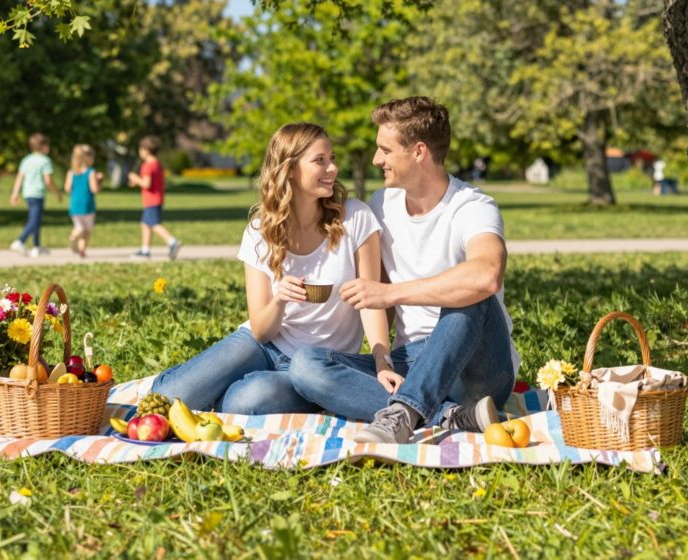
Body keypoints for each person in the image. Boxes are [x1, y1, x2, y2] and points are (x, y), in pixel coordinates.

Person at [289, 96, 521, 443]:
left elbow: (487, 275)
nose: (375, 159)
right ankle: (448, 416)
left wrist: (390, 293)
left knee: (472, 294)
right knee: (307, 366)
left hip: (476, 370)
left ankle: (405, 413)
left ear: (419, 152)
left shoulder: (473, 206)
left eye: (385, 150)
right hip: (410, 360)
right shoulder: (383, 204)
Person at [150, 123, 397, 414]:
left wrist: (382, 362)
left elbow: (371, 301)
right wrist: (279, 299)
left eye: (332, 158)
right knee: (167, 397)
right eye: (320, 160)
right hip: (262, 346)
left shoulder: (355, 217)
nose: (332, 168)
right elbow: (261, 330)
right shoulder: (260, 230)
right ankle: (196, 382)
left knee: (243, 401)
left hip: (317, 364)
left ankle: (222, 387)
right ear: (289, 169)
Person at [128, 135, 182, 260]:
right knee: (145, 224)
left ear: (146, 150)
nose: (139, 152)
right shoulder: (157, 164)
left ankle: (172, 242)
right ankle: (145, 250)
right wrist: (137, 181)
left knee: (153, 223)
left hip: (151, 200)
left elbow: (146, 183)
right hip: (156, 198)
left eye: (140, 149)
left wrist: (135, 178)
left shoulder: (147, 165)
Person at [9, 133, 63, 257]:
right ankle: (20, 241)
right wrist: (57, 192)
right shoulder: (45, 161)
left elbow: (19, 178)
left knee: (35, 220)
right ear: (43, 146)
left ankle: (36, 247)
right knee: (34, 220)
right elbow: (48, 181)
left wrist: (15, 193)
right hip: (38, 193)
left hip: (27, 193)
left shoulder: (26, 160)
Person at [64, 144, 103, 258]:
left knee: (79, 226)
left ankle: (77, 243)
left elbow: (67, 188)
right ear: (88, 158)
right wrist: (99, 181)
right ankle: (79, 246)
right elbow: (94, 189)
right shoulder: (91, 172)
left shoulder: (71, 172)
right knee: (87, 229)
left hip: (75, 204)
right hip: (87, 204)